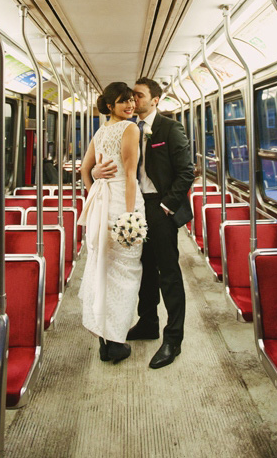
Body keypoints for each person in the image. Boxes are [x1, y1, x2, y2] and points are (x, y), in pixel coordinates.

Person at [92, 77, 194, 369]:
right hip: (135, 204)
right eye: (131, 97)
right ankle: (148, 322)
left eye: (139, 95)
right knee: (144, 268)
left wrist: (165, 206)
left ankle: (173, 338)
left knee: (168, 273)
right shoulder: (127, 129)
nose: (134, 101)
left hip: (159, 206)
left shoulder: (170, 128)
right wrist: (98, 171)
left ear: (156, 99)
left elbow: (186, 173)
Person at [78, 82, 145, 364]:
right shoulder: (131, 129)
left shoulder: (101, 130)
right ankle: (116, 341)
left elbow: (85, 169)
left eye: (131, 100)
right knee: (126, 272)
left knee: (102, 267)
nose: (130, 106)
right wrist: (130, 216)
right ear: (109, 106)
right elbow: (131, 176)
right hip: (121, 201)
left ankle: (104, 339)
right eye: (122, 102)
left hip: (101, 202)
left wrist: (94, 188)